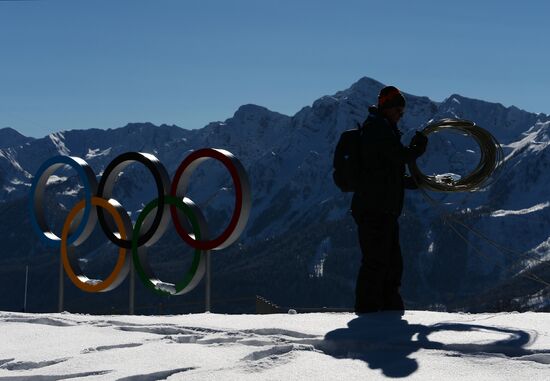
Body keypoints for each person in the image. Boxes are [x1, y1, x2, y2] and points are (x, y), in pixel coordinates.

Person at [351, 86, 428, 313]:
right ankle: (370, 312)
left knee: (391, 263)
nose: (400, 115)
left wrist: (407, 181)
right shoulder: (377, 129)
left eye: (402, 111)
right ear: (387, 108)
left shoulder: (382, 128)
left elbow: (383, 170)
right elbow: (398, 157)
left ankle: (388, 308)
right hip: (375, 209)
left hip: (382, 209)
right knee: (377, 262)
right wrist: (416, 148)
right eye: (398, 110)